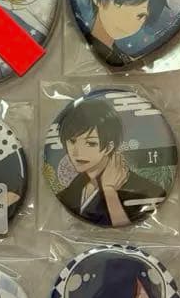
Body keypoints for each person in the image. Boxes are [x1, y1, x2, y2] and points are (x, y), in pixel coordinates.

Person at [54, 95, 165, 226]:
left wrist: (109, 191)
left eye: (90, 143)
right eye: (72, 141)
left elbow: (124, 228)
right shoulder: (71, 191)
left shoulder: (146, 192)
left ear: (109, 147)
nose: (77, 152)